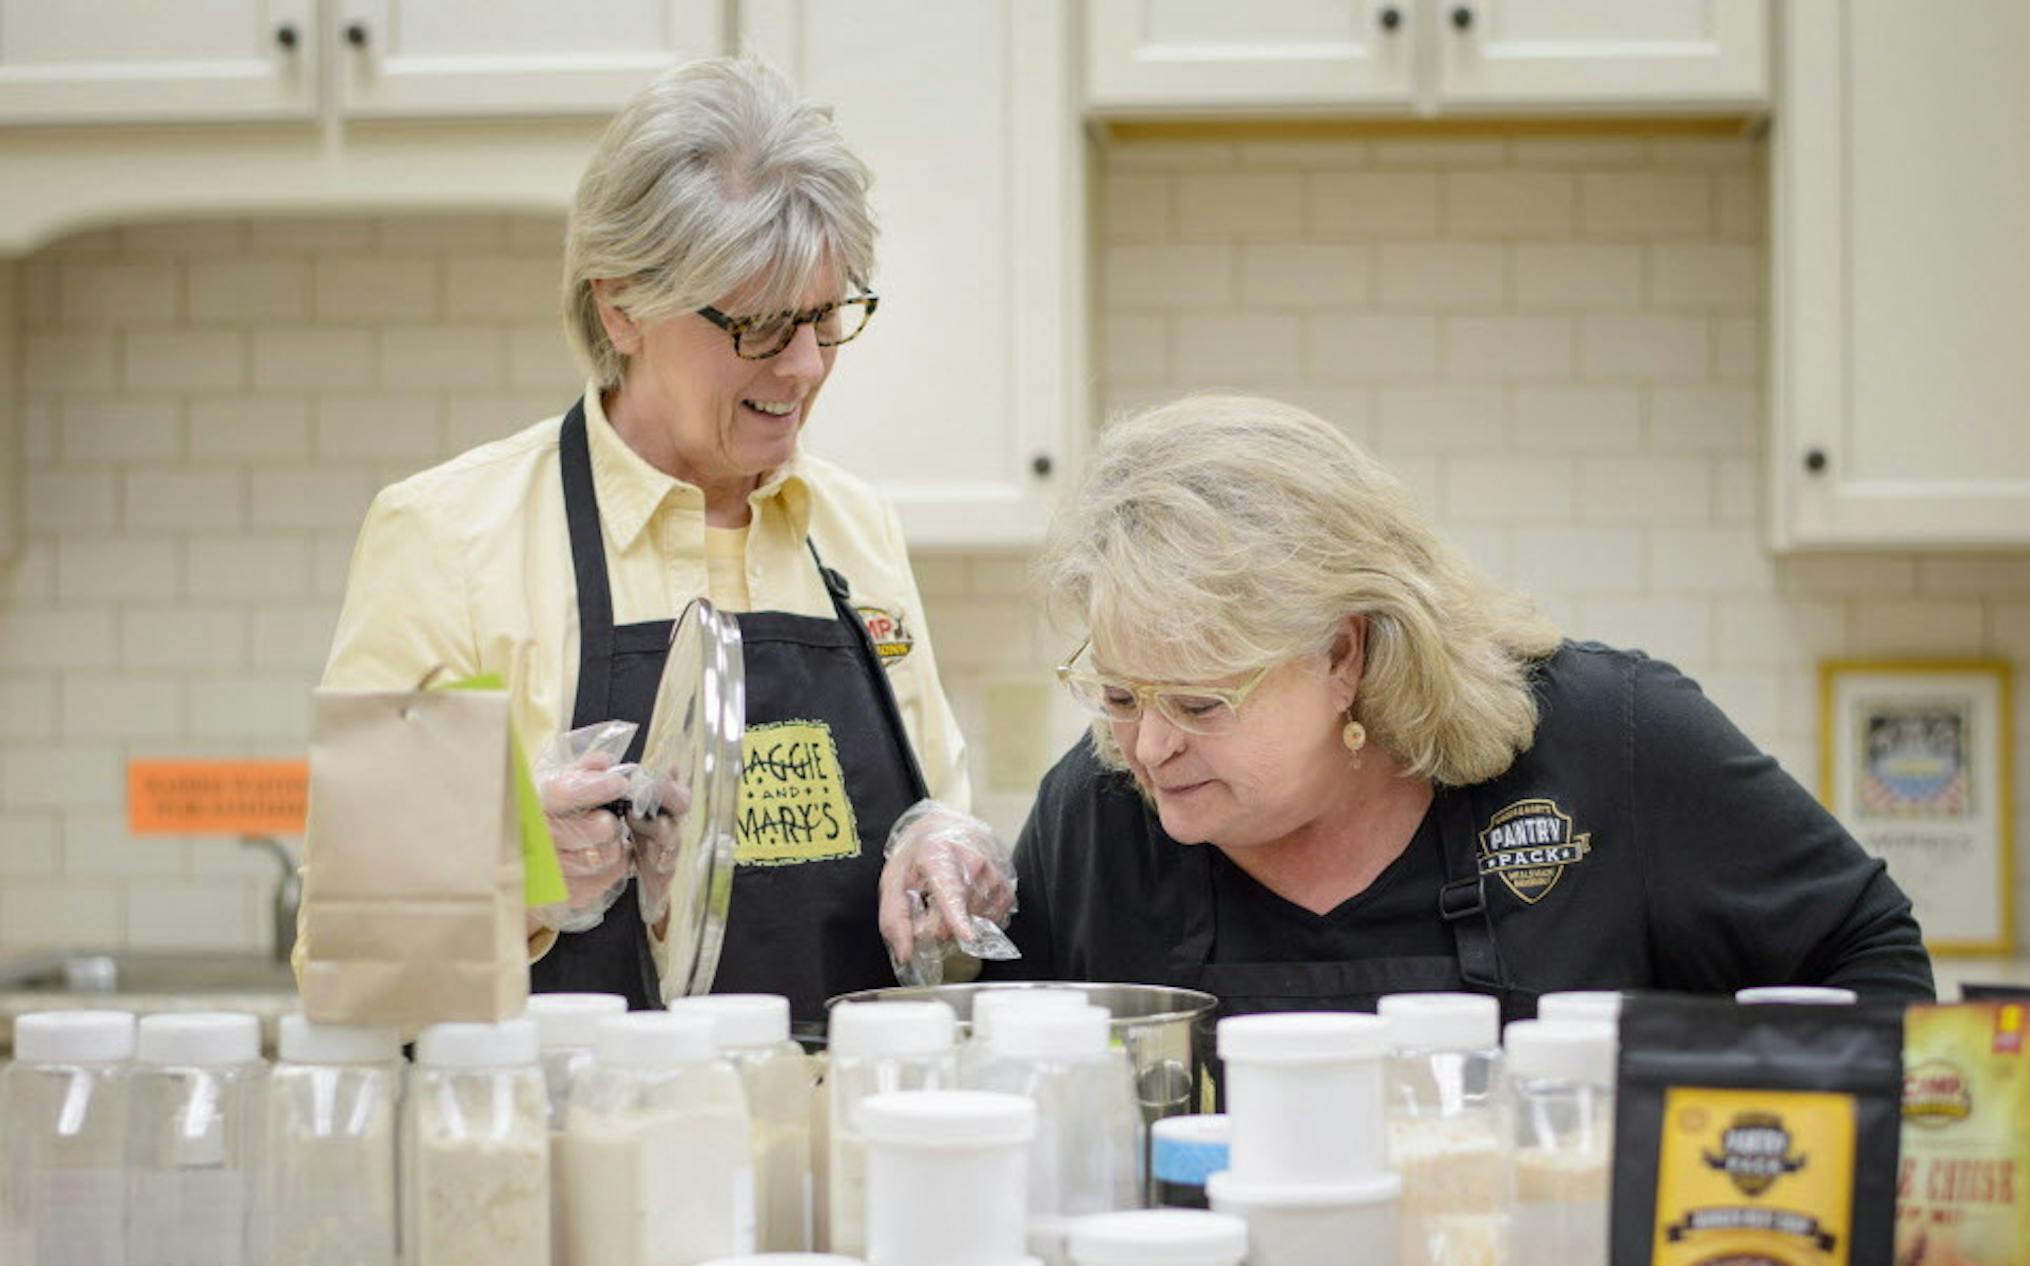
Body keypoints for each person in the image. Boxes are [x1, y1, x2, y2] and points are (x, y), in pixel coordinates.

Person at [303, 58, 1007, 1018]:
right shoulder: (451, 542)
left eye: (827, 317)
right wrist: (514, 878)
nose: (803, 367)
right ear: (620, 306)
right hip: (580, 1150)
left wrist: (946, 871)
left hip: (838, 1146)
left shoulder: (853, 530)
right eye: (757, 325)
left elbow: (938, 819)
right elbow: (348, 964)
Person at [972, 394, 1934, 1019]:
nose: (1148, 745)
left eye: (1200, 701)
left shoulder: (1611, 744)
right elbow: (1002, 1081)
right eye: (1119, 693)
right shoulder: (1094, 820)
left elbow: (1864, 952)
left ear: (1344, 653)